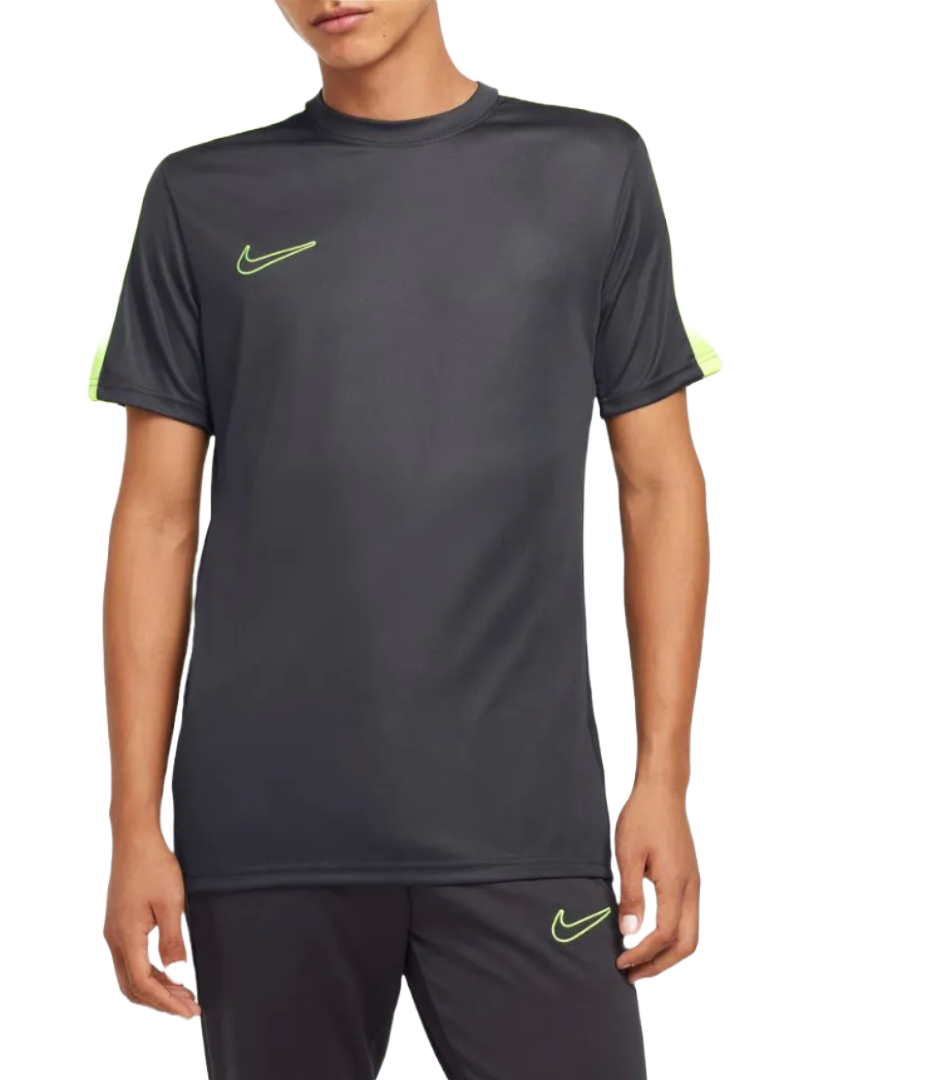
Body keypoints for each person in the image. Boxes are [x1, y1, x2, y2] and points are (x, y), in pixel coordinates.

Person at [90, 2, 720, 1077]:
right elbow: (154, 519)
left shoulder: (591, 169)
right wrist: (133, 825)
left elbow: (659, 486)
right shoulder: (200, 196)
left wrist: (665, 780)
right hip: (268, 832)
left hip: (525, 828)